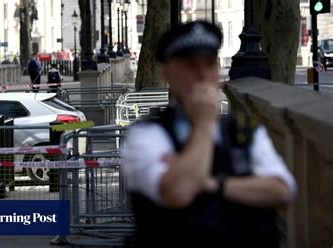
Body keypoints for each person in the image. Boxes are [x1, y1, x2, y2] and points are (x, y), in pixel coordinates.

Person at [121, 21, 296, 248]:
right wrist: (204, 123)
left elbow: (282, 190)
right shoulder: (146, 136)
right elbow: (179, 192)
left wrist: (213, 184)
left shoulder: (244, 131)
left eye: (210, 65)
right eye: (191, 66)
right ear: (167, 75)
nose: (202, 75)